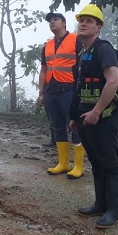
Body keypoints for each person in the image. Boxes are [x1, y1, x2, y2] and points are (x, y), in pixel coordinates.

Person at [70, 4, 118, 229]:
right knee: (96, 161)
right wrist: (75, 117)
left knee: (110, 163)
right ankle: (100, 204)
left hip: (104, 116)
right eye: (81, 20)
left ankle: (114, 210)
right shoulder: (83, 52)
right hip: (86, 117)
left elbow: (113, 82)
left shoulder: (104, 49)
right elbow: (79, 87)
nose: (83, 23)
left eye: (89, 21)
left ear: (99, 27)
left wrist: (97, 111)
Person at [37, 13, 85, 179]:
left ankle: (78, 165)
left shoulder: (76, 39)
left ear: (64, 23)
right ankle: (63, 163)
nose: (52, 22)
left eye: (55, 20)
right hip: (51, 91)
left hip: (69, 90)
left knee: (74, 125)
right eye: (50, 21)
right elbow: (44, 70)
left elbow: (82, 64)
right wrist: (41, 92)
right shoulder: (47, 45)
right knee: (57, 127)